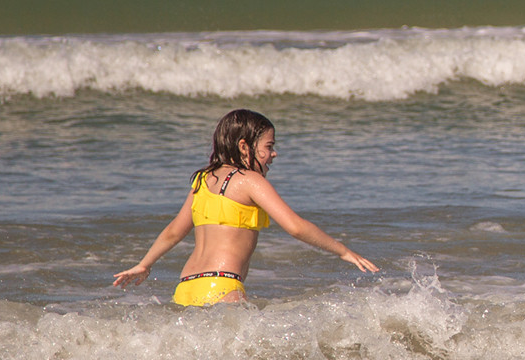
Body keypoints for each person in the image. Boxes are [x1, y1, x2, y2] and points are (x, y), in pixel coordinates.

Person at [111, 108, 379, 305]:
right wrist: (343, 251)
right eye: (269, 147)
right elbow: (295, 227)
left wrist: (144, 264)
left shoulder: (203, 180)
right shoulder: (251, 181)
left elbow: (173, 231)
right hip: (223, 285)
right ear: (244, 146)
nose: (274, 154)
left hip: (185, 288)